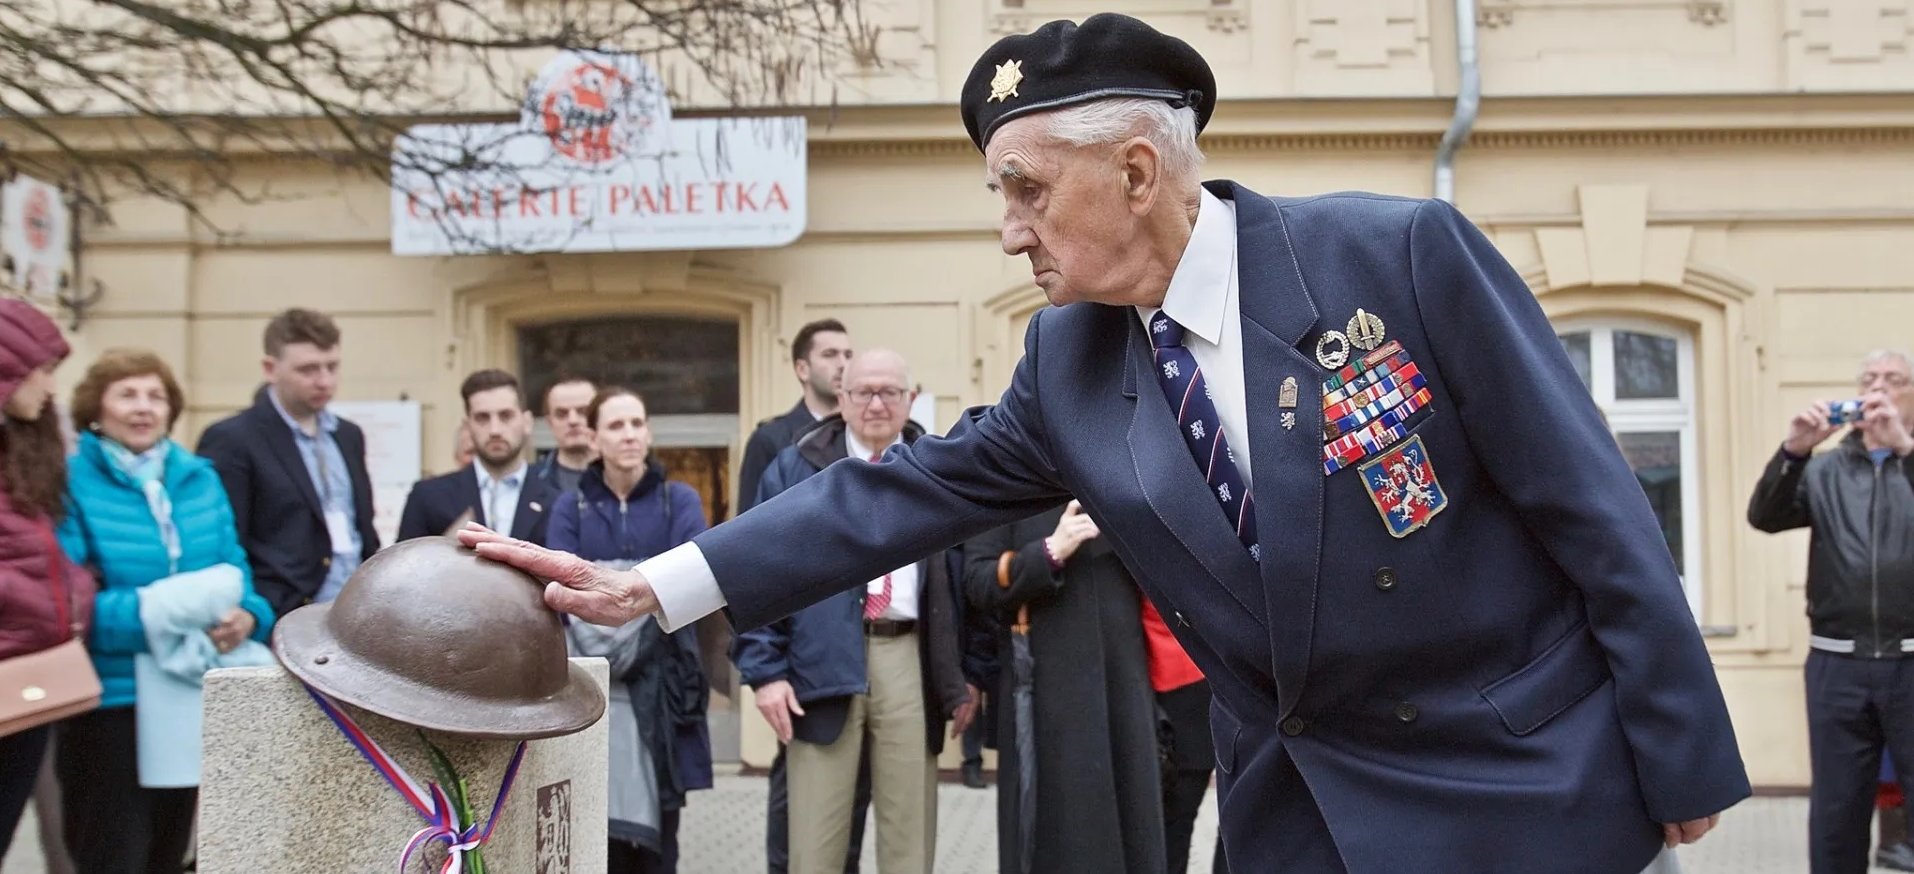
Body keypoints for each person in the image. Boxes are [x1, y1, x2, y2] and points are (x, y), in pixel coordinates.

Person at [458, 13, 1750, 873]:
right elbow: (895, 494)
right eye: (997, 196)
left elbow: (1591, 506)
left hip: (1508, 784)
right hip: (1306, 813)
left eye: (1024, 189)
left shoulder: (1392, 257)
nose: (1006, 230)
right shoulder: (1067, 365)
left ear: (1135, 172)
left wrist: (1678, 747)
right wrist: (660, 586)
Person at [731, 349, 974, 874]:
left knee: (909, 839)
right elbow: (755, 570)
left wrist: (965, 672)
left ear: (912, 399)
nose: (876, 403)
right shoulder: (795, 468)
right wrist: (765, 671)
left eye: (890, 391)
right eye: (863, 391)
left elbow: (960, 575)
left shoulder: (940, 468)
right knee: (815, 843)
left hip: (909, 658)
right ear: (840, 400)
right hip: (819, 660)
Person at [57, 348, 276, 874]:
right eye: (127, 394)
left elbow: (237, 570)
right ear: (96, 407)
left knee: (171, 851)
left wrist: (248, 615)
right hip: (114, 701)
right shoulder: (70, 481)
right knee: (113, 853)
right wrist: (163, 615)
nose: (143, 408)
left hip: (192, 694)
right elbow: (70, 603)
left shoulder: (199, 477)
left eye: (155, 396)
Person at [1748, 349, 1914, 874]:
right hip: (1837, 665)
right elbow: (1765, 516)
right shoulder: (1825, 472)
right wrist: (1794, 450)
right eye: (1869, 378)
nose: (1879, 387)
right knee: (1837, 815)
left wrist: (1905, 452)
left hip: (1912, 663)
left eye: (1894, 379)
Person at [546, 386, 713, 874]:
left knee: (662, 837)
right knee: (596, 835)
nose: (629, 435)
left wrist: (610, 583)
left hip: (663, 695)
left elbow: (695, 581)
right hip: (594, 696)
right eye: (616, 426)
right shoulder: (568, 507)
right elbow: (561, 595)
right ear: (594, 439)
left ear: (649, 432)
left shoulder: (677, 500)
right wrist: (645, 586)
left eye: (637, 423)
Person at [960, 500, 1172, 874]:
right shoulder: (1008, 470)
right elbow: (978, 579)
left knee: (1133, 835)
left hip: (1123, 692)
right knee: (1058, 839)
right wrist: (1047, 553)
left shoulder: (1116, 467)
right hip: (1047, 696)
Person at [733, 317, 870, 874]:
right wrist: (765, 665)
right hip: (801, 653)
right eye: (830, 353)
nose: (842, 362)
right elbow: (749, 557)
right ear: (801, 368)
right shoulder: (773, 441)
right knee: (797, 807)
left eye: (848, 352)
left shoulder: (866, 434)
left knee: (853, 803)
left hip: (856, 647)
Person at [196, 308, 379, 616]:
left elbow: (361, 526)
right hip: (281, 611)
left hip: (355, 608)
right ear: (271, 368)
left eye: (332, 367)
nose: (324, 380)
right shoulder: (232, 439)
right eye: (308, 370)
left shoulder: (348, 435)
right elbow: (225, 542)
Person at [0, 300, 94, 862]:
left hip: (29, 677)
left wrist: (77, 588)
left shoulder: (22, 449)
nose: (52, 386)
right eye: (45, 369)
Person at [397, 369, 557, 544]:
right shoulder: (428, 497)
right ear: (468, 425)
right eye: (482, 418)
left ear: (527, 422)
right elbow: (406, 566)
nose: (495, 430)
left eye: (506, 416)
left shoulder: (558, 499)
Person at [533, 373, 598, 495]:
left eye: (583, 412)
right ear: (549, 423)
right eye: (562, 414)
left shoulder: (627, 477)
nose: (573, 420)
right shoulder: (531, 483)